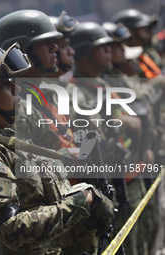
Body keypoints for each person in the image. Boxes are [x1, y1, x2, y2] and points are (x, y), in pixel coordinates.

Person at [0, 43, 114, 255]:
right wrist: (83, 201)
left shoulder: (5, 138)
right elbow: (12, 230)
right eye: (5, 86)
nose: (16, 89)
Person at [69, 21, 156, 255]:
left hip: (133, 172)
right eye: (103, 48)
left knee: (146, 240)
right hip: (113, 185)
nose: (110, 52)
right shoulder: (74, 92)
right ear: (86, 52)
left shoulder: (103, 84)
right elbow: (92, 139)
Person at [0, 10, 79, 156]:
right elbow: (22, 167)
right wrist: (69, 156)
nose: (54, 48)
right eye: (44, 43)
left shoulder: (46, 95)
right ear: (21, 50)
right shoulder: (17, 107)